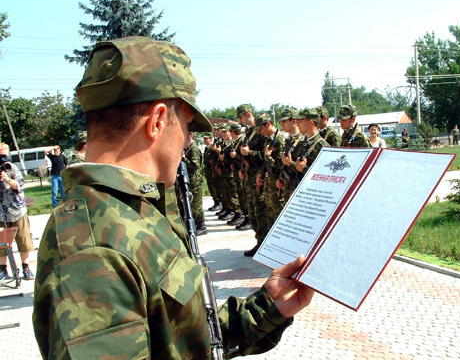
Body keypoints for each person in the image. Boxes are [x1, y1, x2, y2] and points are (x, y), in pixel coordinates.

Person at [33, 36, 314, 360]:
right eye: (185, 124)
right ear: (156, 121)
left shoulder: (131, 209)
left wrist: (268, 307)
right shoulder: (92, 247)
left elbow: (183, 337)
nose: (187, 139)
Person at [0, 143, 35, 280]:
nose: (3, 159)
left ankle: (26, 268)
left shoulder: (13, 168)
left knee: (23, 238)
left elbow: (19, 185)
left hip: (17, 210)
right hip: (2, 213)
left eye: (4, 155)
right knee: (2, 242)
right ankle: (3, 269)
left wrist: (7, 179)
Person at [238, 104, 269, 257]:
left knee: (260, 212)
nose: (240, 121)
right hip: (249, 176)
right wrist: (242, 169)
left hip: (258, 177)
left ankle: (264, 243)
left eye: (241, 117)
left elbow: (265, 156)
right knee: (253, 212)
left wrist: (250, 153)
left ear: (248, 115)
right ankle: (259, 241)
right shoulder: (249, 132)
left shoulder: (260, 132)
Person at [255, 113, 286, 228]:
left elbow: (281, 164)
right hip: (269, 184)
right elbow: (265, 162)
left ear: (268, 124)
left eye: (261, 129)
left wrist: (268, 156)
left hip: (277, 185)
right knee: (269, 218)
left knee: (278, 219)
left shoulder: (280, 140)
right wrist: (260, 173)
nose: (259, 132)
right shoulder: (267, 140)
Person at [283, 108, 330, 179]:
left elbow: (326, 175)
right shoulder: (301, 143)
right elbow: (297, 170)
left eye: (300, 121)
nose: (297, 124)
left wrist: (303, 168)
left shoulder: (323, 146)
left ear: (310, 122)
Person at [183, 132, 207, 235]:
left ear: (191, 136)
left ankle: (201, 225)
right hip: (189, 179)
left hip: (195, 181)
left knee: (196, 204)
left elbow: (195, 166)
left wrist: (183, 158)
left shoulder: (194, 149)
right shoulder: (187, 148)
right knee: (190, 203)